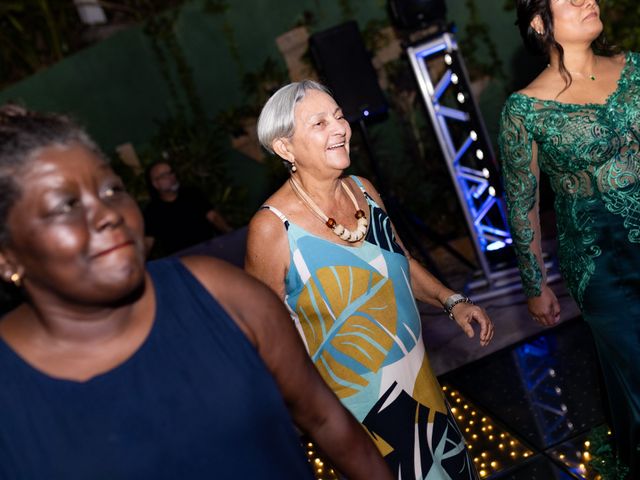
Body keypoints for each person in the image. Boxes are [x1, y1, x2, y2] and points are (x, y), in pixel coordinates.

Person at [0, 105, 394, 480]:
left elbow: (328, 422)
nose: (108, 214)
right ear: (7, 257)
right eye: (65, 206)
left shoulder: (221, 295)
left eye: (111, 190)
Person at [245, 80, 494, 480]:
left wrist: (453, 301)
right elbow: (259, 335)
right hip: (356, 415)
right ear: (285, 148)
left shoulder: (364, 191)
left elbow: (400, 262)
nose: (340, 128)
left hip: (420, 389)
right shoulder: (272, 229)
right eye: (320, 123)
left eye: (339, 116)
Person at [498, 0, 639, 476]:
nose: (587, 0)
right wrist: (535, 284)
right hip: (602, 264)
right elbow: (522, 202)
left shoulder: (634, 68)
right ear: (540, 24)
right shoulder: (525, 108)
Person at [143, 160, 232, 256]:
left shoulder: (192, 194)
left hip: (210, 250)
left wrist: (231, 233)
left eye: (171, 172)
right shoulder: (152, 211)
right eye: (164, 176)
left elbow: (213, 217)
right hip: (183, 260)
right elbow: (148, 241)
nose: (171, 177)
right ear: (155, 184)